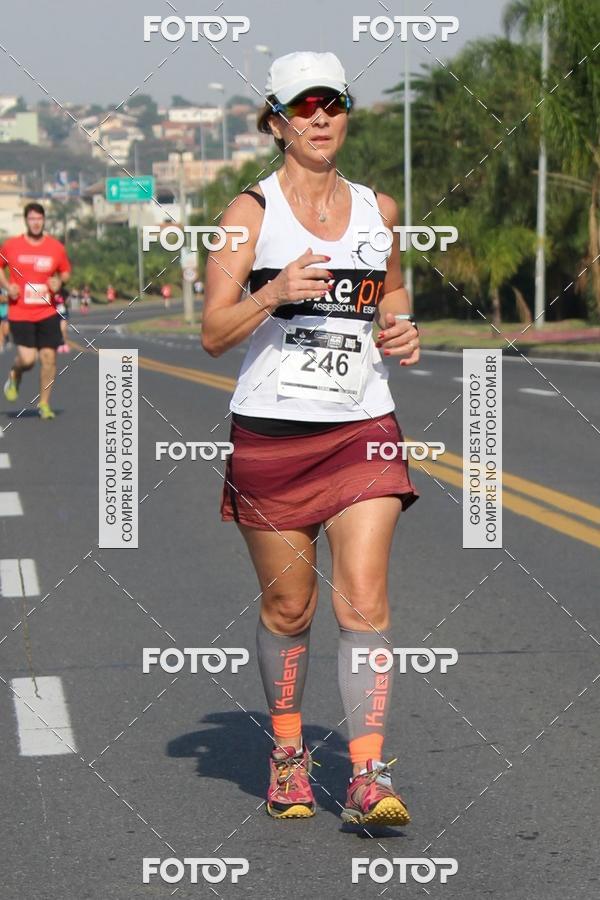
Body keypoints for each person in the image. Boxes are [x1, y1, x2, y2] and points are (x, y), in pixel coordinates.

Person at [202, 51, 421, 826]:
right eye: (305, 107)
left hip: (363, 424)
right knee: (290, 608)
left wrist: (400, 328)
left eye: (333, 104)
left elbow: (390, 290)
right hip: (273, 433)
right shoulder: (249, 214)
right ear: (277, 121)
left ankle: (369, 775)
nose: (321, 118)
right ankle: (289, 755)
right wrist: (273, 291)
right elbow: (214, 333)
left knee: (362, 601)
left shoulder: (377, 208)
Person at [1, 202, 71, 419]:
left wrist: (59, 281)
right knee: (28, 359)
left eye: (39, 218)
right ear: (26, 220)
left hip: (47, 311)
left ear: (44, 220)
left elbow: (66, 272)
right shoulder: (11, 246)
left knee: (49, 357)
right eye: (32, 218)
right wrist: (6, 286)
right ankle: (15, 373)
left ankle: (44, 404)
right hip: (20, 312)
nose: (36, 222)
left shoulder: (56, 247)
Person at [56, 284, 71, 353]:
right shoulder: (52, 292)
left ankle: (64, 344)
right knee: (56, 330)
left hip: (63, 313)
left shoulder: (65, 292)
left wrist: (66, 303)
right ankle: (58, 344)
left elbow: (67, 302)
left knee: (63, 330)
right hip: (54, 314)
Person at [0, 289, 9, 353]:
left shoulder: (4, 290)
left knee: (5, 330)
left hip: (5, 312)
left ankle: (7, 338)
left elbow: (5, 299)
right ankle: (1, 345)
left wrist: (4, 299)